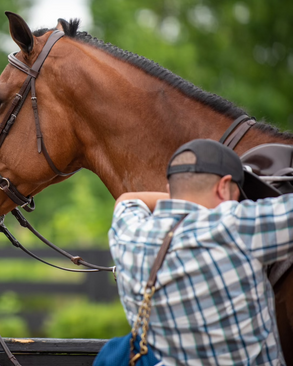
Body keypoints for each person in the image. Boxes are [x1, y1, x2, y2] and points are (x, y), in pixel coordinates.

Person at [108, 139, 293, 365]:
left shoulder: (130, 232)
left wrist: (185, 199)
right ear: (224, 187)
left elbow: (128, 199)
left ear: (169, 189)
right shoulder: (235, 226)